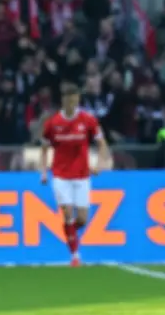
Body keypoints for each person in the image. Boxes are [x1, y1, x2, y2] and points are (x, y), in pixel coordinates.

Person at [40, 82, 111, 267]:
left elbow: (102, 143)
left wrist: (99, 164)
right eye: (69, 100)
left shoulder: (88, 120)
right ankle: (75, 255)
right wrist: (44, 171)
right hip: (61, 175)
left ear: (78, 99)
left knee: (82, 219)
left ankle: (69, 232)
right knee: (67, 212)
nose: (72, 103)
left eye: (75, 99)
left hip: (82, 175)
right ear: (63, 101)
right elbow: (44, 149)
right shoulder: (53, 123)